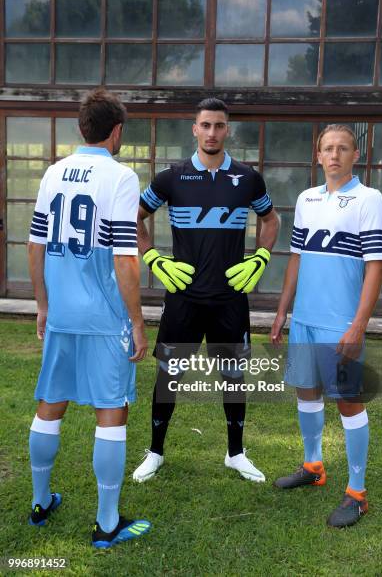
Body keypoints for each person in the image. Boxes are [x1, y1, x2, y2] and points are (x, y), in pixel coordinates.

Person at [132, 98, 280, 484]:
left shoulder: (248, 178)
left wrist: (261, 256)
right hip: (183, 299)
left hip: (230, 298)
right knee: (170, 375)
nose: (212, 132)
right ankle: (156, 452)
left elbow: (271, 219)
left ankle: (236, 453)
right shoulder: (171, 177)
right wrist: (153, 260)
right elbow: (136, 217)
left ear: (227, 129)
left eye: (219, 125)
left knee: (234, 376)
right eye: (205, 125)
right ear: (194, 129)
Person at [27, 89, 151, 548]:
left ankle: (41, 503)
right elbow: (125, 259)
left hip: (61, 312)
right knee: (111, 412)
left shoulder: (53, 171)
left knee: (50, 404)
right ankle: (106, 523)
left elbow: (34, 246)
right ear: (116, 131)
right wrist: (137, 321)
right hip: (103, 317)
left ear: (83, 128)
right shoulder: (120, 177)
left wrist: (43, 304)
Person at [271, 124, 382, 528]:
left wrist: (358, 325)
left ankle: (357, 493)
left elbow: (375, 267)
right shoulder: (307, 199)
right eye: (327, 149)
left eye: (342, 148)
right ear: (317, 156)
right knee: (307, 392)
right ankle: (313, 465)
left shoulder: (369, 199)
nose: (334, 155)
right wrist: (283, 310)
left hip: (340, 323)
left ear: (357, 155)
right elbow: (297, 258)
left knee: (348, 401)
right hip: (305, 317)